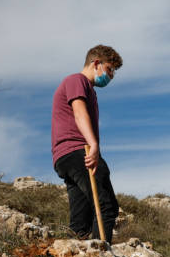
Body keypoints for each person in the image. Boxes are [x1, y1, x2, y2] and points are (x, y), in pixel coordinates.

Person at [51, 44, 122, 243]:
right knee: (106, 207)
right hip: (79, 151)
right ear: (96, 63)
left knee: (80, 223)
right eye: (110, 69)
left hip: (64, 156)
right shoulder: (77, 80)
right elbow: (79, 112)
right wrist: (93, 146)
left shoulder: (87, 88)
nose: (111, 76)